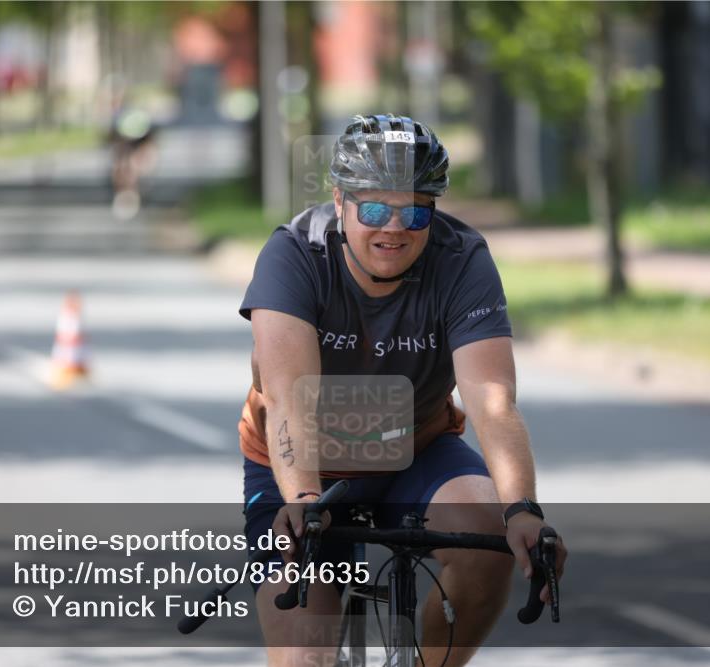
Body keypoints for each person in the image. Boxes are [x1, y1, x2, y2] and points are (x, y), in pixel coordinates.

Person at [239, 114, 566, 666]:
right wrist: (299, 498)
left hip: (414, 447)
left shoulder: (461, 258)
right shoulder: (294, 254)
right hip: (303, 465)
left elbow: (490, 399)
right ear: (340, 201)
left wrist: (523, 511)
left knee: (488, 538)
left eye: (415, 211)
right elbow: (290, 397)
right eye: (374, 209)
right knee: (304, 656)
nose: (395, 228)